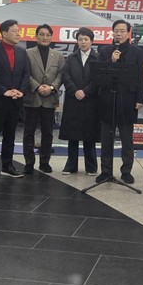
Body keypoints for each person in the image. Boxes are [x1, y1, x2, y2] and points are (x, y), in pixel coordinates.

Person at [95, 20, 143, 185]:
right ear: (112, 32)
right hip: (108, 100)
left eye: (122, 31)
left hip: (128, 100)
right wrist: (111, 61)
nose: (119, 34)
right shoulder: (104, 51)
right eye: (116, 30)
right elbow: (99, 75)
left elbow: (140, 76)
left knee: (126, 139)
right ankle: (106, 171)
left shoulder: (137, 52)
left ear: (128, 32)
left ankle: (126, 171)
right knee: (106, 139)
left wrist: (139, 99)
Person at [0, 19, 30, 181]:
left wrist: (21, 91)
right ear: (4, 33)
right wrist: (4, 91)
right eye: (15, 31)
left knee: (10, 135)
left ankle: (7, 166)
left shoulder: (22, 52)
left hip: (16, 99)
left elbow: (26, 74)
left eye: (19, 31)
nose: (18, 34)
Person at [22, 24, 65, 174]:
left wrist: (52, 87)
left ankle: (45, 162)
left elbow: (61, 75)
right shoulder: (27, 53)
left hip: (49, 99)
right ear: (36, 36)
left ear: (51, 37)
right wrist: (37, 86)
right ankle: (29, 162)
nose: (45, 37)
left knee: (48, 133)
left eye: (48, 35)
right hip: (32, 97)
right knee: (29, 132)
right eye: (42, 34)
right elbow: (25, 73)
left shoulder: (58, 55)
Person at [59, 27, 100, 175]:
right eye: (80, 39)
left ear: (91, 41)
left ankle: (91, 166)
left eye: (86, 39)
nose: (83, 42)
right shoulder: (71, 58)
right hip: (73, 100)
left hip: (90, 101)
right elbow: (65, 76)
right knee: (73, 135)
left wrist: (85, 91)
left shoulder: (97, 58)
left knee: (90, 135)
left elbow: (98, 79)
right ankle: (71, 166)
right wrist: (75, 90)